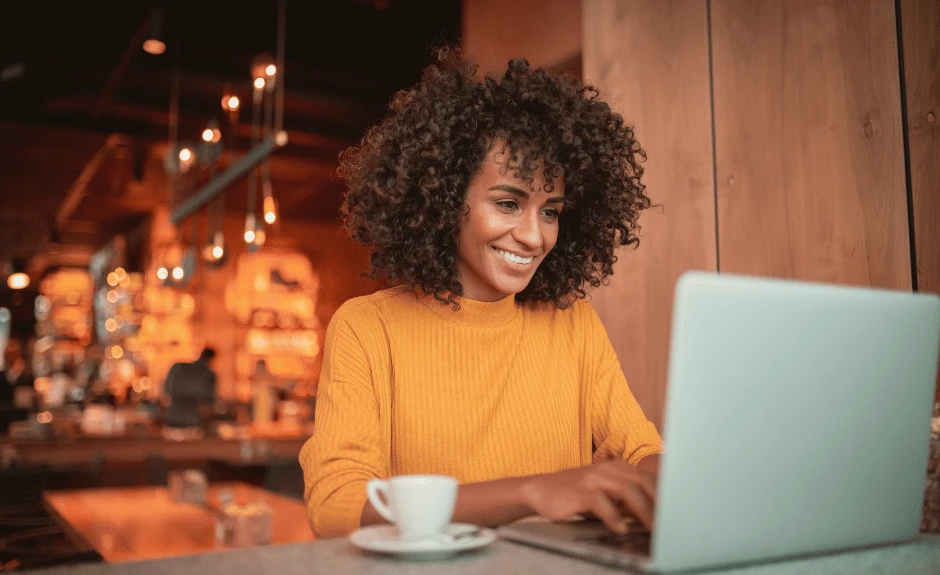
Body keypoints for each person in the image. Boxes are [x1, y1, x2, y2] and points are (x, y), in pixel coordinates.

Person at [299, 47, 661, 539]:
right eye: (508, 203)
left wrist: (659, 480)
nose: (535, 237)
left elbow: (646, 455)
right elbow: (336, 507)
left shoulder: (571, 322)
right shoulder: (368, 327)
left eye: (550, 211)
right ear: (445, 200)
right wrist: (532, 491)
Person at [163, 347, 217, 429]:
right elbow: (209, 399)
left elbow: (167, 388)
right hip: (192, 420)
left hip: (174, 417)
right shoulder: (208, 375)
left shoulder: (178, 367)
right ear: (211, 359)